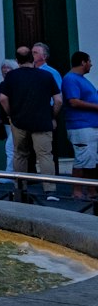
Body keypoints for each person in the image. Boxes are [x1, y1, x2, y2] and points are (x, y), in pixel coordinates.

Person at [0, 53, 61, 179]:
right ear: (32, 59)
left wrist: (11, 114)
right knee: (45, 155)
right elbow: (58, 100)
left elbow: (3, 99)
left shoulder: (11, 77)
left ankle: (20, 186)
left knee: (20, 154)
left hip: (19, 121)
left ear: (17, 61)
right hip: (42, 121)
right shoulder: (46, 75)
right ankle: (50, 189)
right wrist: (52, 116)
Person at [63, 52, 98, 199]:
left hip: (89, 125)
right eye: (89, 61)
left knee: (91, 159)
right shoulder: (70, 79)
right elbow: (73, 101)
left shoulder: (81, 79)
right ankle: (77, 191)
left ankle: (91, 190)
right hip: (80, 126)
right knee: (82, 158)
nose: (91, 64)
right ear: (83, 62)